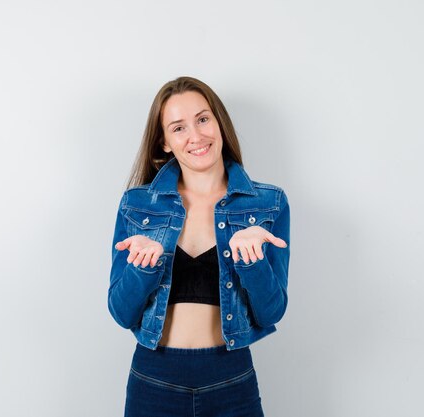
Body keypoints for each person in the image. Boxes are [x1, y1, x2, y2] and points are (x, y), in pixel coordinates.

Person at [107, 76, 291, 417]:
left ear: (219, 122)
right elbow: (121, 312)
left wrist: (251, 263)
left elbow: (271, 312)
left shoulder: (268, 203)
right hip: (154, 382)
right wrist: (144, 268)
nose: (196, 136)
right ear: (164, 141)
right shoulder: (137, 205)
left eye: (203, 119)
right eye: (178, 128)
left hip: (231, 381)